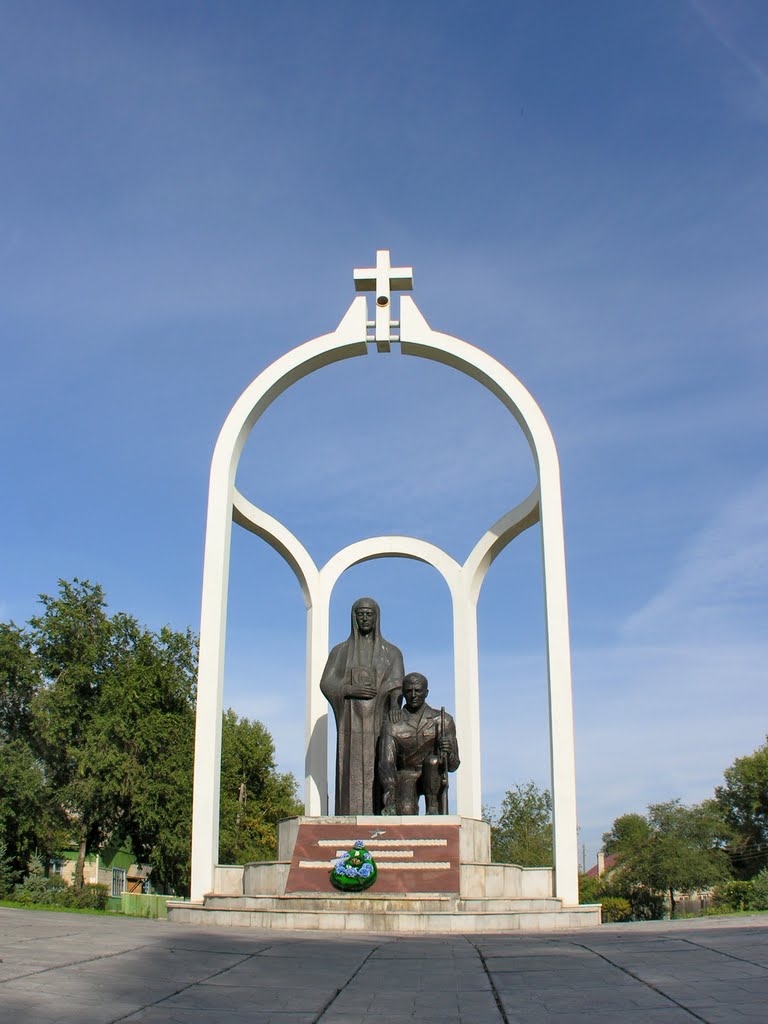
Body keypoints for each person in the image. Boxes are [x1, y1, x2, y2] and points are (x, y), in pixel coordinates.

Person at [320, 597, 405, 814]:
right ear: (353, 617)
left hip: (379, 721)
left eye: (369, 614)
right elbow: (326, 682)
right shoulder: (340, 652)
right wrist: (348, 690)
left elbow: (397, 684)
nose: (365, 618)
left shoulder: (392, 652)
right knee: (351, 770)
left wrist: (395, 704)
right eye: (360, 614)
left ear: (376, 618)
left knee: (381, 765)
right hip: (350, 722)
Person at [378, 672, 460, 815]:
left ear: (426, 692)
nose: (414, 695)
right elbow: (386, 762)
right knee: (405, 811)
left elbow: (454, 765)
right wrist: (390, 790)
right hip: (406, 775)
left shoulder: (443, 721)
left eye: (418, 690)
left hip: (433, 774)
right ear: (403, 693)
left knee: (433, 761)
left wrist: (448, 753)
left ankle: (433, 807)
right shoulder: (392, 724)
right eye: (409, 691)